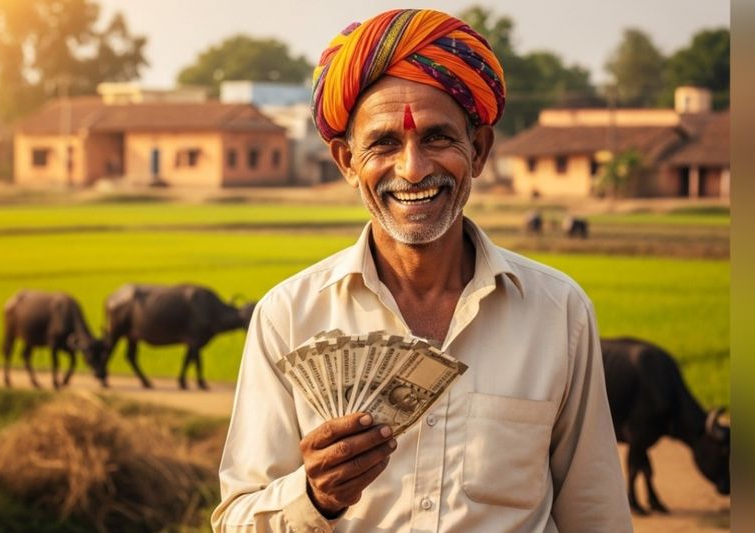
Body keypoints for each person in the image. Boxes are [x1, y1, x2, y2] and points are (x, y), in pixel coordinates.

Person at [212, 8, 631, 532]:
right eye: (384, 143)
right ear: (346, 161)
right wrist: (315, 497)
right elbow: (235, 521)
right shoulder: (289, 316)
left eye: (437, 138)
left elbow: (596, 514)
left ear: (477, 151)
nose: (413, 169)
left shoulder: (558, 311)